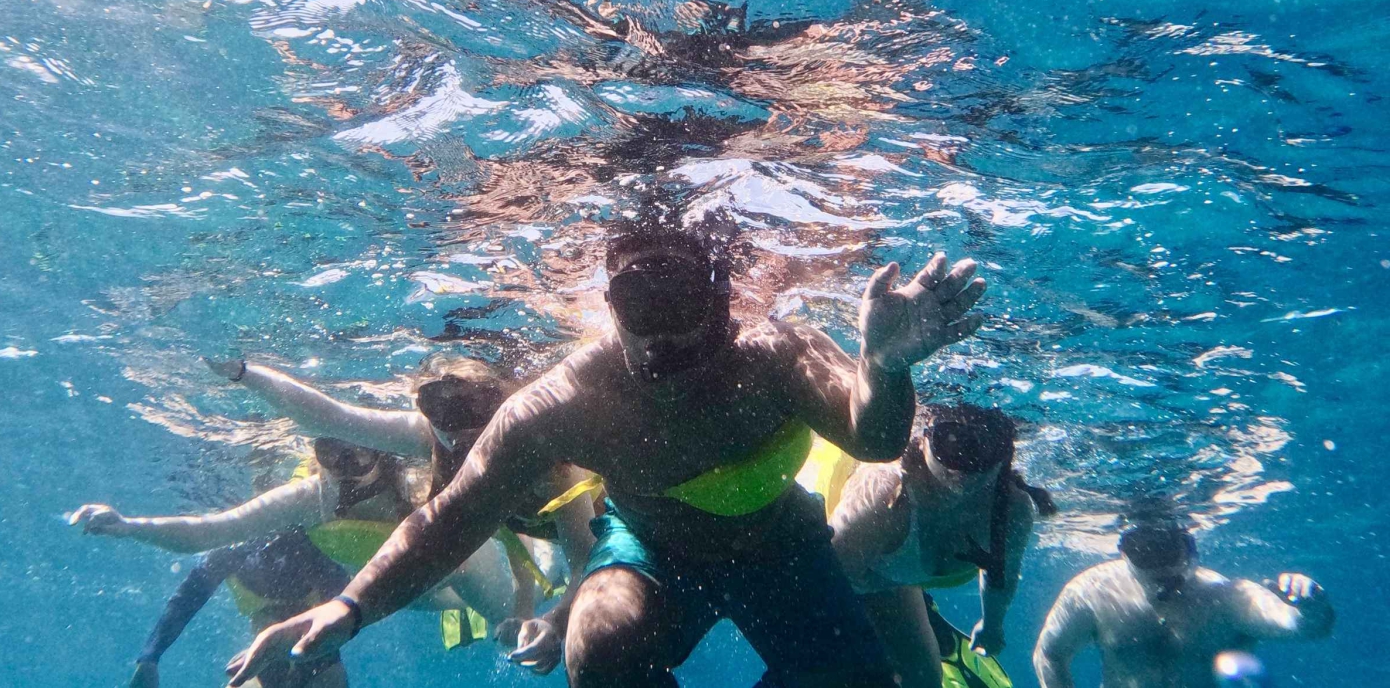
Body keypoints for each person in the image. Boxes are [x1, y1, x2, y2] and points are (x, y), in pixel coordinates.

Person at [226, 216, 989, 688]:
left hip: (783, 544)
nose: (660, 335)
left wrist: (885, 365)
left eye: (678, 301)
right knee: (597, 644)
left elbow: (875, 436)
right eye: (636, 304)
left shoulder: (772, 356)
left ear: (721, 298)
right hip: (654, 548)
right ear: (609, 307)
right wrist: (351, 603)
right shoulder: (570, 400)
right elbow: (454, 515)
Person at [199, 352, 598, 644]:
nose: (457, 430)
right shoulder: (430, 436)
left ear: (500, 403)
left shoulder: (543, 452)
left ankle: (549, 570)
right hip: (520, 523)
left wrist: (554, 621)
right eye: (437, 411)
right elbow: (331, 418)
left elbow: (584, 557)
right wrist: (245, 373)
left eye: (475, 409)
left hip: (598, 521)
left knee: (567, 579)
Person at [70, 436, 519, 631]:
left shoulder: (418, 484)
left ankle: (536, 573)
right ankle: (467, 610)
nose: (343, 467)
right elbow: (211, 531)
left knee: (505, 616)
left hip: (456, 559)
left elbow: (492, 494)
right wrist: (129, 527)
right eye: (329, 452)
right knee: (409, 598)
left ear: (382, 454)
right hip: (395, 576)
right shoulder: (310, 497)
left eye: (356, 454)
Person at [828, 403, 1057, 688]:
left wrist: (992, 624)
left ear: (1004, 453)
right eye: (952, 441)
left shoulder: (1013, 510)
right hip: (854, 571)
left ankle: (925, 613)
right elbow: (827, 587)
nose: (965, 466)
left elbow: (1001, 573)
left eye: (984, 446)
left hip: (892, 575)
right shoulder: (883, 500)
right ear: (923, 438)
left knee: (924, 681)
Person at [1032, 521, 1334, 688]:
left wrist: (1312, 606)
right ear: (1124, 553)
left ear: (1191, 550)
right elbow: (1048, 655)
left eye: (1167, 549)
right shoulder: (1094, 590)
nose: (1158, 563)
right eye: (1144, 551)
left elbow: (1305, 627)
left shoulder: (1228, 597)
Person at [129, 529, 350, 688]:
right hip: (266, 661)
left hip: (314, 657)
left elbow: (343, 610)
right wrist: (150, 657)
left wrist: (150, 657)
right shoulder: (231, 550)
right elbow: (186, 600)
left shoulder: (309, 548)